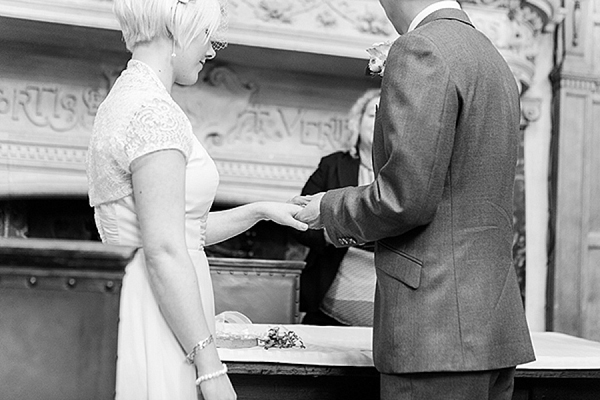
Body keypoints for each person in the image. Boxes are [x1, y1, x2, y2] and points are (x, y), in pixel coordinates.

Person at [293, 0, 536, 399]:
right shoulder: (490, 55)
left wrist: (328, 208)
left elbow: (404, 199)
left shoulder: (421, 48)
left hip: (435, 330)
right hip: (490, 322)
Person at [86, 1, 307, 399]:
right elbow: (166, 249)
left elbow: (180, 231)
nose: (210, 51)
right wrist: (209, 366)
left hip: (142, 299)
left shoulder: (125, 98)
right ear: (178, 31)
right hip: (160, 313)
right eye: (208, 38)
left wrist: (258, 211)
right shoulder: (154, 112)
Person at [294, 88, 380, 326]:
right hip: (329, 293)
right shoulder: (331, 165)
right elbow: (298, 221)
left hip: (386, 290)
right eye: (372, 115)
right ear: (358, 121)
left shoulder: (405, 172)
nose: (379, 120)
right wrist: (332, 235)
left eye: (386, 114)